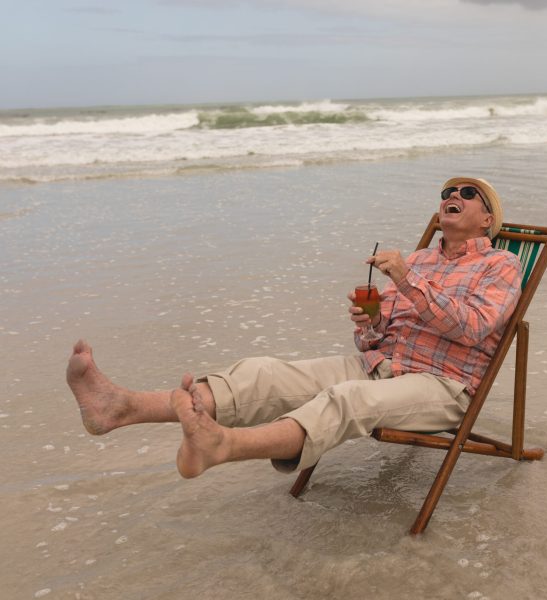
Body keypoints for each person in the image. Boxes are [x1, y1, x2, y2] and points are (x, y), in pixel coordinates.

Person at [66, 177, 521, 478]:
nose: (452, 195)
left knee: (347, 398)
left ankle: (223, 445)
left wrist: (406, 281)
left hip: (441, 385)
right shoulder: (419, 259)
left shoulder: (500, 265)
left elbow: (473, 328)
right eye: (446, 191)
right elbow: (375, 339)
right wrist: (372, 323)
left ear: (488, 219)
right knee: (264, 373)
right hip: (381, 366)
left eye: (467, 192)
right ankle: (121, 407)